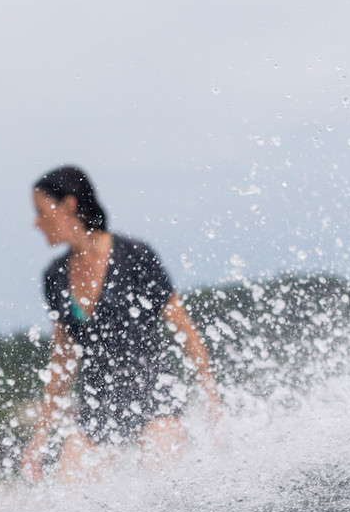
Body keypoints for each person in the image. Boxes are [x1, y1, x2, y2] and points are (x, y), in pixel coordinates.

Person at [21, 165, 220, 481]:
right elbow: (62, 362)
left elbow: (185, 333)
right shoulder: (55, 277)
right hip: (97, 408)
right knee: (68, 495)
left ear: (69, 207)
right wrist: (40, 439)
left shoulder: (135, 257)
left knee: (162, 480)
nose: (36, 222)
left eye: (42, 212)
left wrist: (212, 402)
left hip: (156, 401)